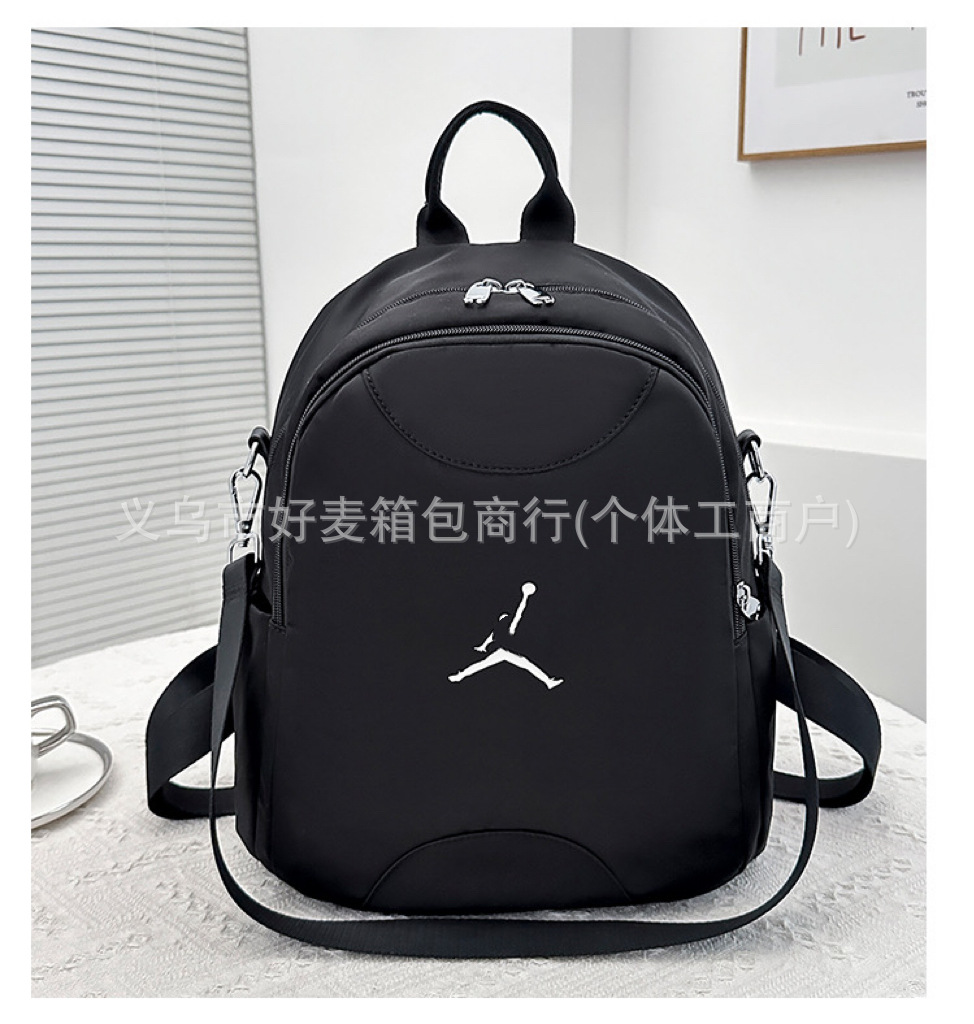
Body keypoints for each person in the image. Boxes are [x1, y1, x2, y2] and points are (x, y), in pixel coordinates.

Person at [448, 582, 563, 689]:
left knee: (482, 664)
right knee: (528, 665)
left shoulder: (497, 631)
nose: (505, 616)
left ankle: (460, 676)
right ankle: (548, 681)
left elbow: (490, 637)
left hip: (503, 652)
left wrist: (483, 646)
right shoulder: (508, 628)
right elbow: (519, 613)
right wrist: (525, 597)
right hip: (506, 652)